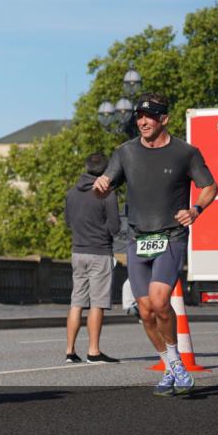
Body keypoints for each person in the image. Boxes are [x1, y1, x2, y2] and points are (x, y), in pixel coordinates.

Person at [93, 93, 218, 395]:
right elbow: (107, 183)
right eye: (138, 116)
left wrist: (195, 210)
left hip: (171, 234)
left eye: (149, 116)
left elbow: (210, 186)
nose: (142, 121)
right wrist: (101, 187)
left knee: (161, 301)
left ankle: (173, 364)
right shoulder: (125, 152)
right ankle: (172, 363)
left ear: (164, 119)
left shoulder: (185, 153)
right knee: (146, 310)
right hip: (138, 237)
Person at [64, 152, 121, 364]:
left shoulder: (71, 193)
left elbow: (68, 222)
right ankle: (94, 351)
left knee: (76, 302)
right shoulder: (107, 193)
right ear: (107, 171)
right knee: (97, 303)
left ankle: (70, 351)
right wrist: (103, 230)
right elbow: (115, 227)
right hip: (99, 252)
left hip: (77, 252)